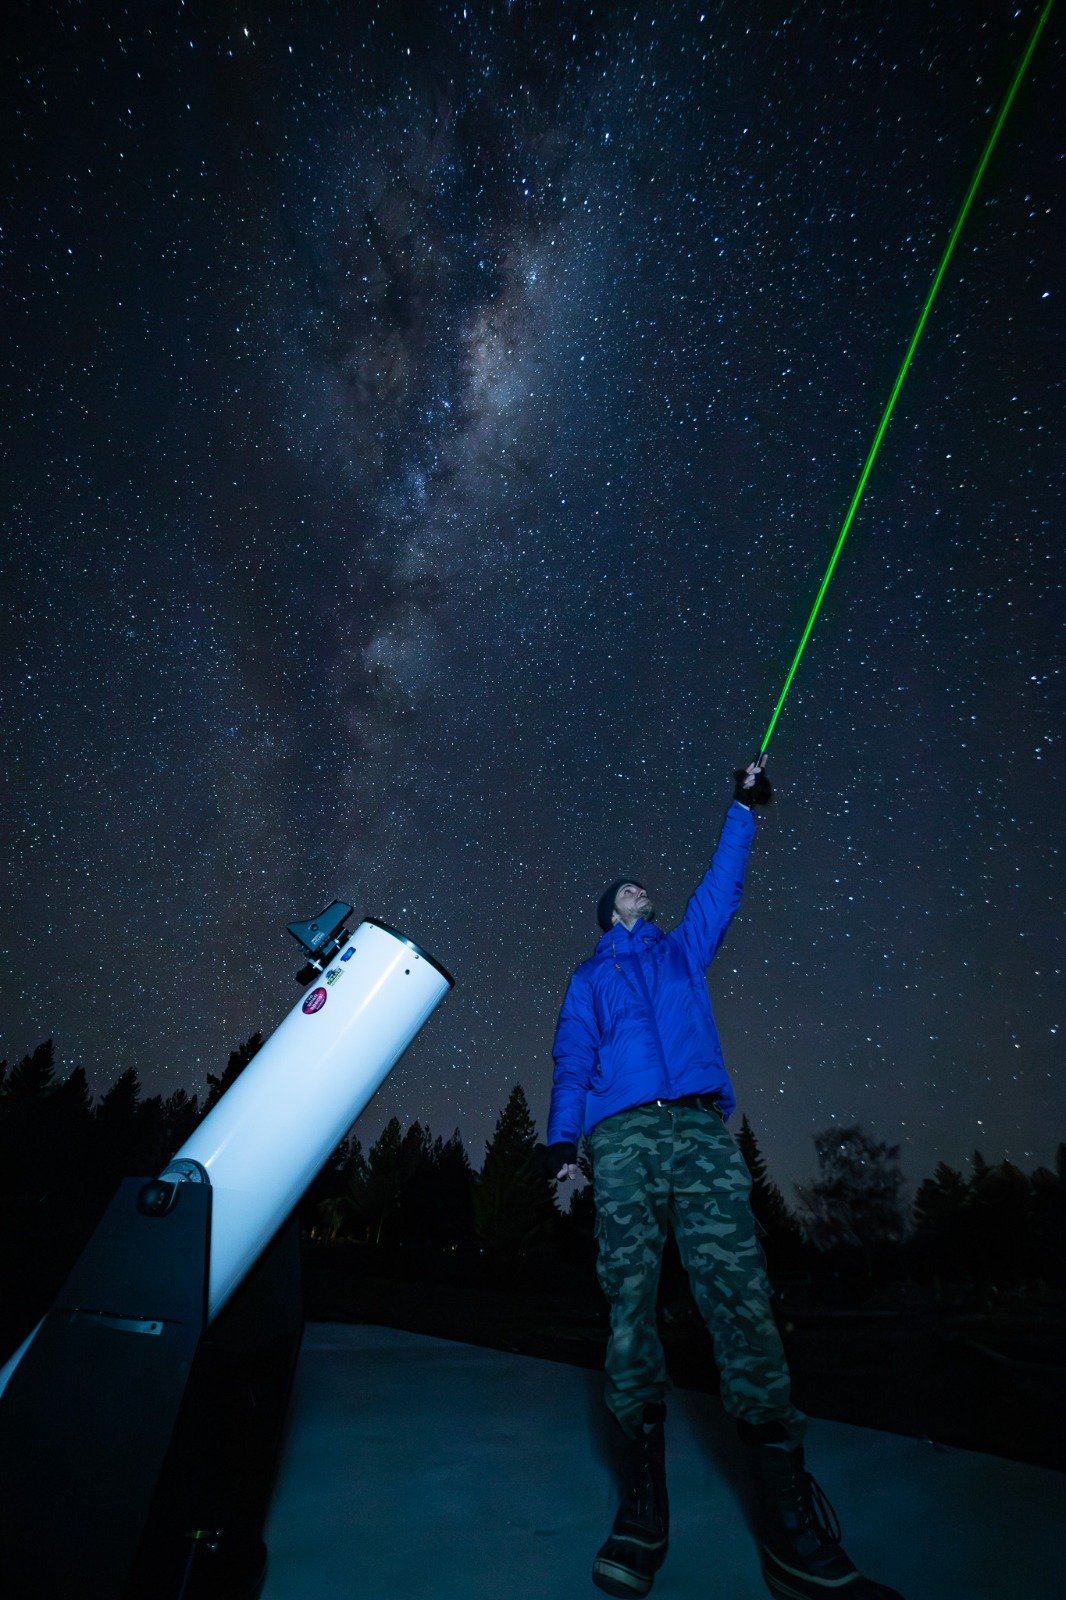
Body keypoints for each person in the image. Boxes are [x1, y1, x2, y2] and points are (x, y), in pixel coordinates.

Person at [537, 759, 903, 1600]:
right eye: (625, 890)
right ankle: (641, 1508)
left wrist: (743, 807)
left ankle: (788, 1529)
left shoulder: (680, 953)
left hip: (699, 1132)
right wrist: (561, 1146)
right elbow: (571, 1060)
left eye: (641, 889)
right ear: (607, 913)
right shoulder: (592, 976)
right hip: (622, 1139)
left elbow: (721, 885)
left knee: (741, 1301)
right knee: (628, 1308)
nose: (640, 890)